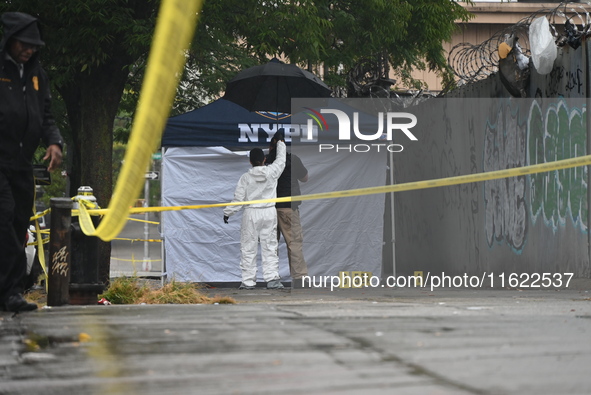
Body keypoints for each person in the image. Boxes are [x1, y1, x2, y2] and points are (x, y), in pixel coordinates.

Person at [1, 12, 63, 312]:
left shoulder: (38, 75)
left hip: (23, 163)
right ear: (10, 41)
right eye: (24, 44)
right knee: (4, 215)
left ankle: (9, 292)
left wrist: (53, 141)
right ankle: (8, 288)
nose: (29, 50)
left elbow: (46, 113)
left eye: (34, 45)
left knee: (18, 223)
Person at [223, 133, 286, 290]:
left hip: (251, 214)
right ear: (264, 159)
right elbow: (281, 160)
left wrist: (228, 213)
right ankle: (272, 280)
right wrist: (280, 143)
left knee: (248, 247)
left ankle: (248, 282)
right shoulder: (272, 172)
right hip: (269, 212)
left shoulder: (245, 178)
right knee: (270, 247)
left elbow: (238, 200)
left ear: (250, 161)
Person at [266, 134, 309, 287]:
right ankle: (299, 279)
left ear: (271, 147)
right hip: (288, 208)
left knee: (271, 245)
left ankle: (272, 279)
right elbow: (305, 178)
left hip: (268, 208)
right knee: (294, 243)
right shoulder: (293, 159)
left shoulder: (266, 161)